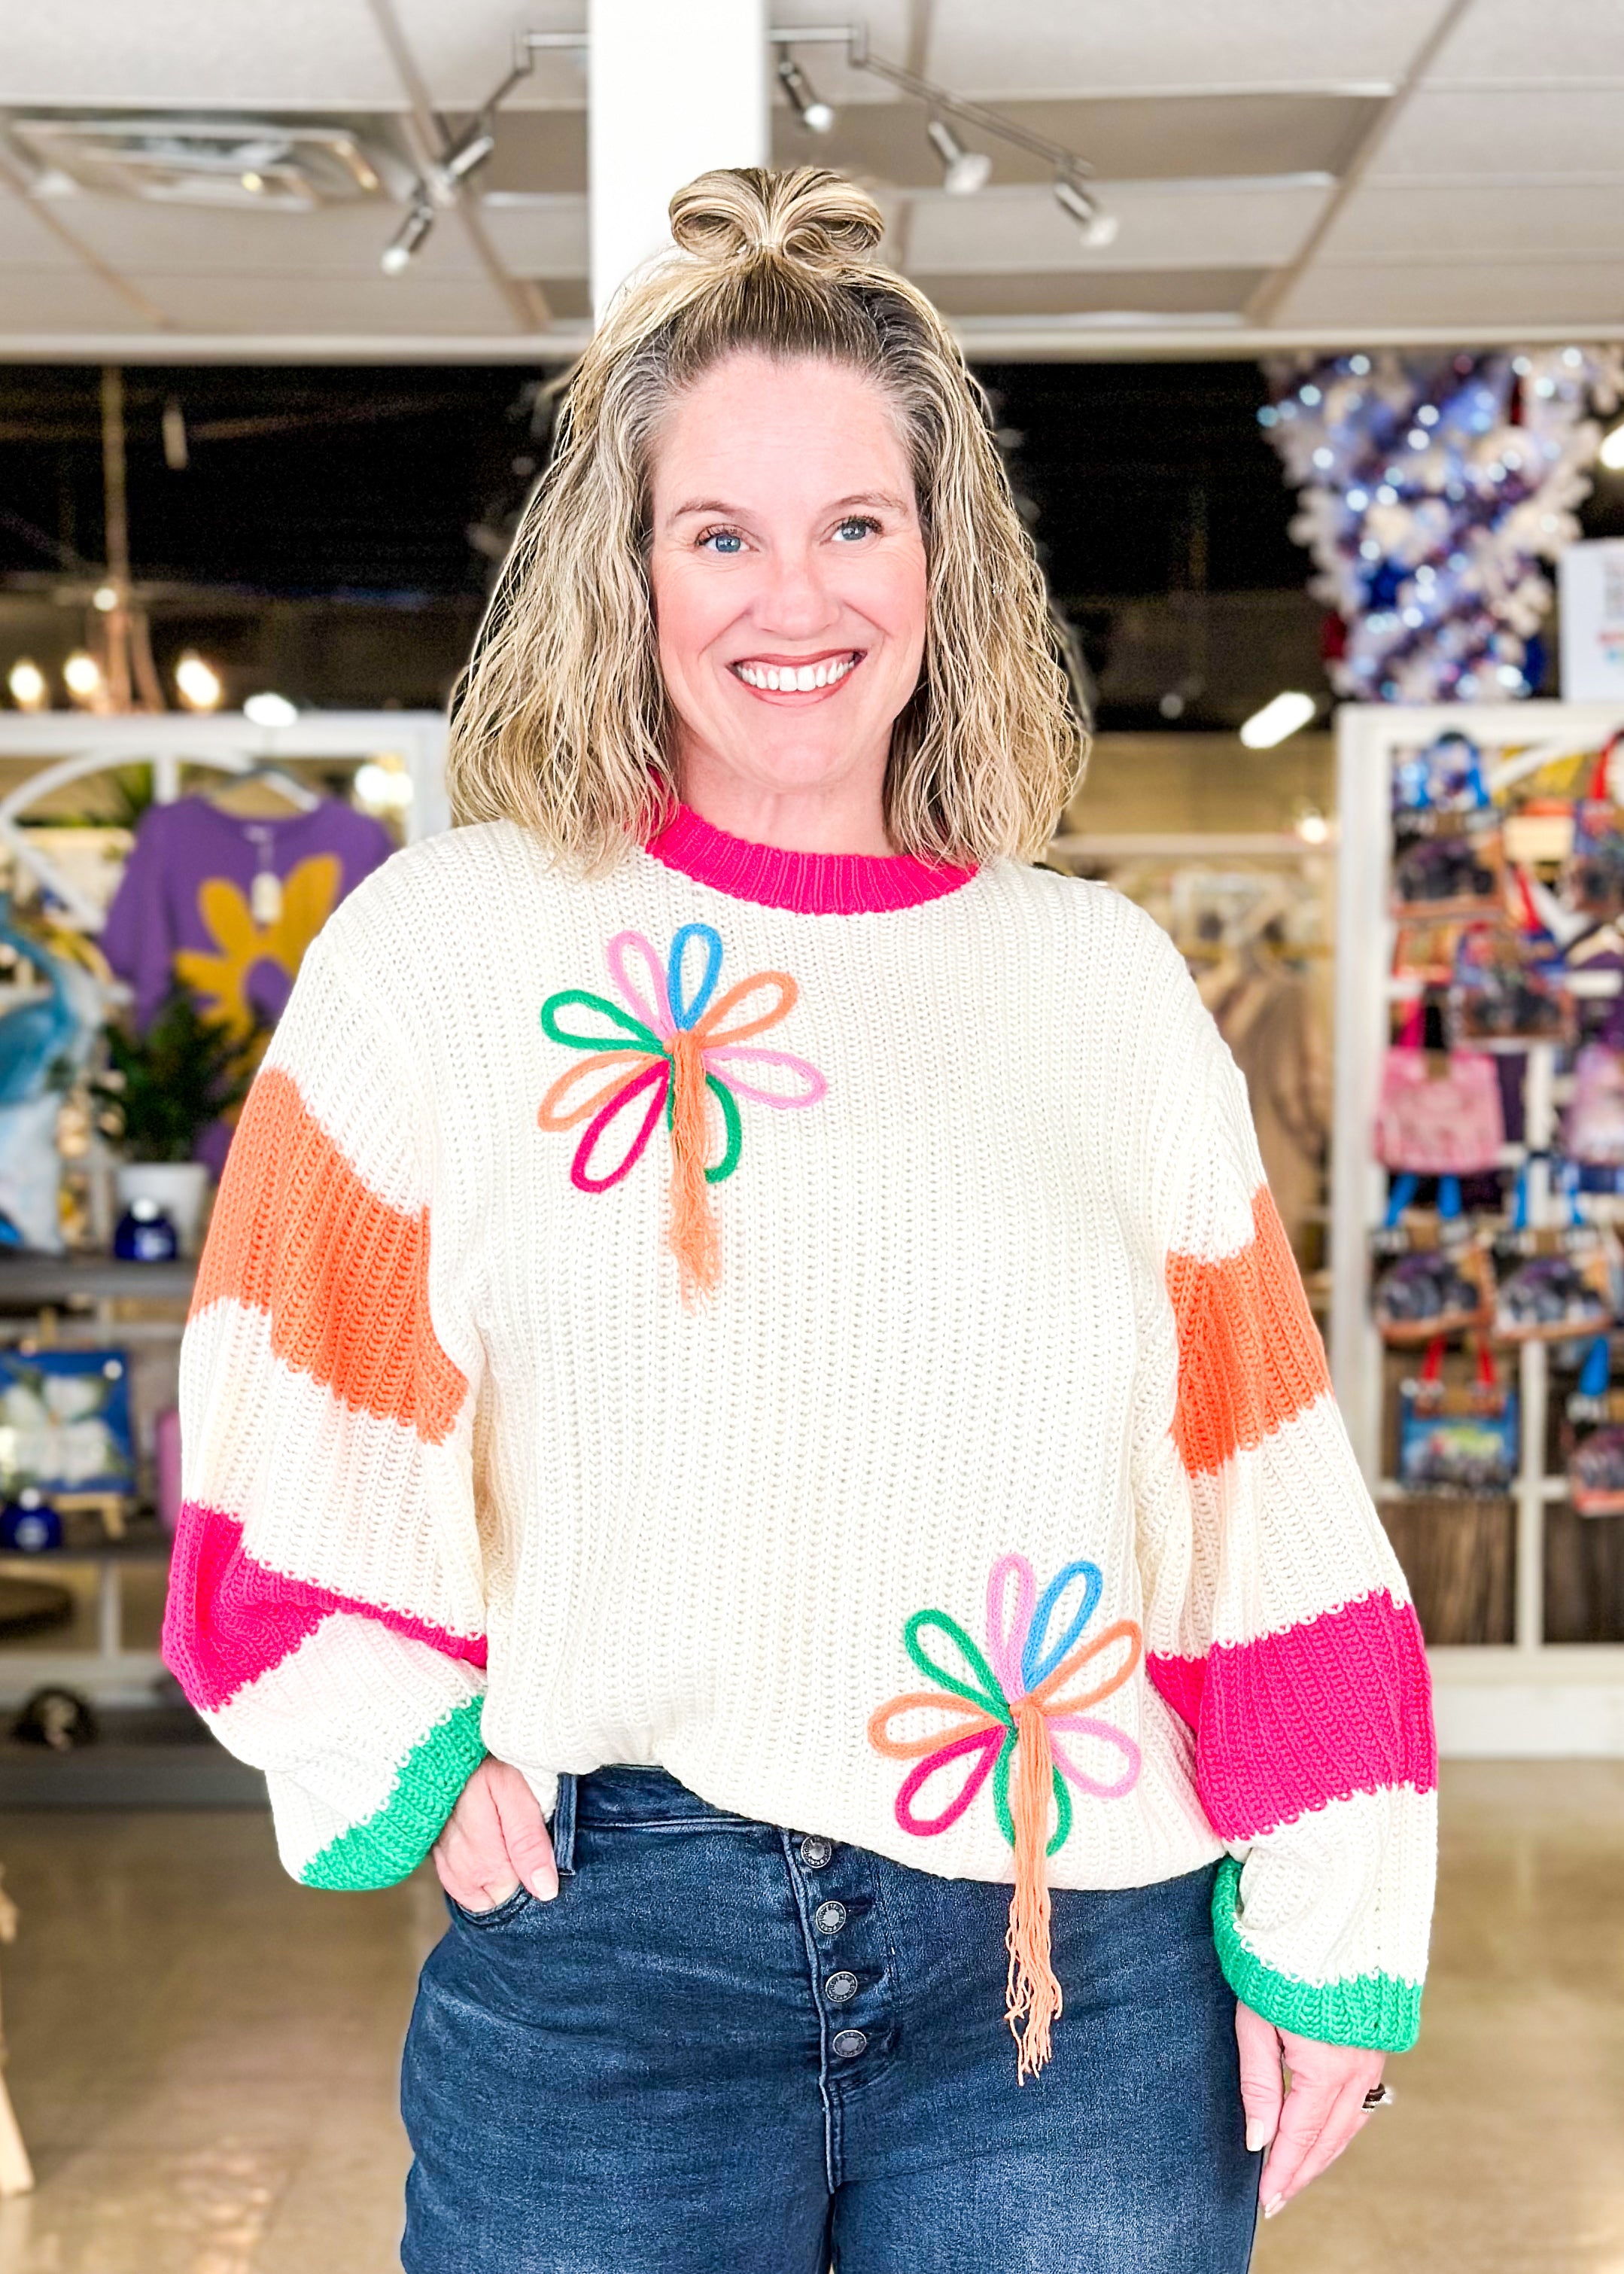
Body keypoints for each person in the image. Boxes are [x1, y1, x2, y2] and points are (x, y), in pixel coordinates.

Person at [163, 166, 1435, 2274]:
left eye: (857, 525)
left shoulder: (1096, 987)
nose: (796, 595)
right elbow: (281, 1379)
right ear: (626, 572)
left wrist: (1335, 1921)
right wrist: (374, 1721)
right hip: (614, 1956)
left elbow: (1255, 1477)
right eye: (721, 533)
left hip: (1079, 1974)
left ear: (946, 568)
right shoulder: (454, 958)